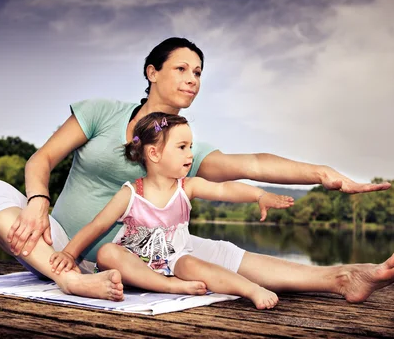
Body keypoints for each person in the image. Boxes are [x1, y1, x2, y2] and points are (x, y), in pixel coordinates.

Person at [0, 37, 394, 303]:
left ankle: (342, 277)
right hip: (61, 245)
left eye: (198, 72)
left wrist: (321, 172)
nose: (192, 78)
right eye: (181, 68)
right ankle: (70, 280)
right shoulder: (101, 113)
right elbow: (41, 160)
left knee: (221, 254)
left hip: (147, 256)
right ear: (151, 72)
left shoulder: (183, 146)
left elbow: (253, 164)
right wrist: (36, 203)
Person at [49, 112, 295, 309]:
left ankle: (249, 289)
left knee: (196, 266)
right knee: (107, 252)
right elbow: (98, 225)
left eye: (191, 146)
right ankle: (169, 287)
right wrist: (70, 254)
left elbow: (224, 190)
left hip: (175, 260)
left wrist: (259, 195)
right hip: (133, 264)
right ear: (154, 153)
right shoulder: (131, 193)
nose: (190, 154)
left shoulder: (187, 187)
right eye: (182, 147)